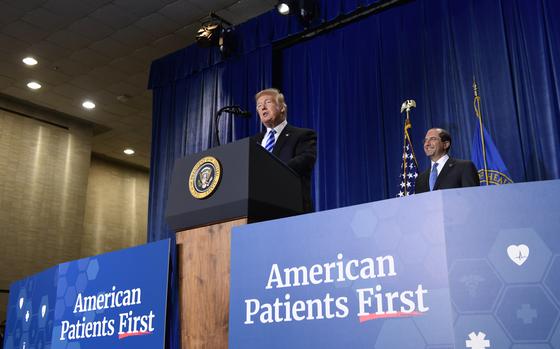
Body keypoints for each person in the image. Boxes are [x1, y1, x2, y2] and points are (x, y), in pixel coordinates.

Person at [252, 88, 317, 212]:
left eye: (267, 102)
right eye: (259, 105)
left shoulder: (303, 135)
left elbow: (306, 160)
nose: (262, 108)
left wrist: (272, 172)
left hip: (290, 209)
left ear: (282, 107)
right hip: (257, 210)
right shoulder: (253, 142)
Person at [415, 127, 479, 193]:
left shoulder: (464, 167)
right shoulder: (420, 179)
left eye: (433, 139)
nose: (427, 144)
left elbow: (472, 198)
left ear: (445, 144)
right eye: (425, 140)